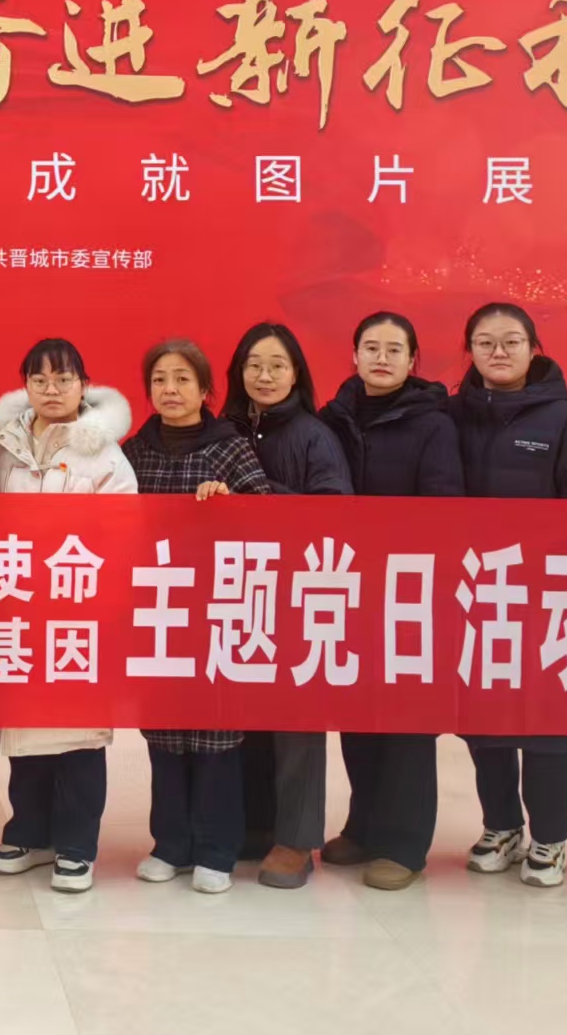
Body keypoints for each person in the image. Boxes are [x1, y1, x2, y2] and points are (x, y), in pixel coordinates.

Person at [446, 302, 567, 890]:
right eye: (485, 342)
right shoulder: (449, 418)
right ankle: (501, 826)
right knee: (483, 721)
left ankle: (550, 837)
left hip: (545, 600)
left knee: (547, 728)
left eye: (511, 341)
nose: (498, 352)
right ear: (469, 350)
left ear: (533, 348)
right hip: (475, 595)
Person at [0, 338, 136, 894]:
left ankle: (75, 845)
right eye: (40, 380)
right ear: (25, 385)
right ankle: (29, 831)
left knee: (77, 736)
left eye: (64, 379)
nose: (52, 390)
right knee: (27, 731)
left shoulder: (105, 453)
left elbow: (122, 536)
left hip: (78, 611)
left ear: (83, 385)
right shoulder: (4, 448)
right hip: (19, 610)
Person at [317, 311, 464, 890]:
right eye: (371, 347)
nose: (382, 358)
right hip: (347, 584)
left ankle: (404, 845)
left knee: (406, 719)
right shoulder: (332, 417)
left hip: (410, 589)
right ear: (354, 355)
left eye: (394, 349)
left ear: (412, 360)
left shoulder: (434, 423)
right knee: (357, 713)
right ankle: (364, 824)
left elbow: (444, 506)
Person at [121, 339, 270, 894]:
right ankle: (170, 845)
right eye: (160, 379)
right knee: (163, 737)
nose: (171, 390)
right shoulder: (134, 451)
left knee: (215, 738)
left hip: (216, 611)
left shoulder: (229, 447)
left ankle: (215, 850)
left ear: (205, 389)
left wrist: (229, 502)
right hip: (157, 611)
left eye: (183, 379)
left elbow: (268, 517)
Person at [222, 322, 351, 889]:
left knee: (297, 720)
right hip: (237, 592)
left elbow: (335, 511)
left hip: (299, 593)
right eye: (254, 364)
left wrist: (259, 496)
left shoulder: (313, 435)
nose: (265, 375)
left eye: (276, 365)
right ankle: (255, 825)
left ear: (296, 372)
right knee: (244, 715)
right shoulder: (224, 429)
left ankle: (297, 840)